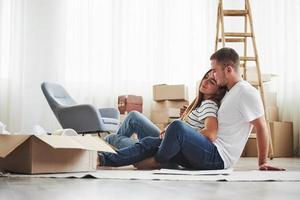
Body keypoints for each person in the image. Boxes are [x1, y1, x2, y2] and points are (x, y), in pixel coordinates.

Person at [98, 69, 227, 170]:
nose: (205, 82)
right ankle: (125, 154)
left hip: (171, 147)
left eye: (212, 82)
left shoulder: (209, 104)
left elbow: (209, 133)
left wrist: (175, 133)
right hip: (169, 142)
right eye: (205, 77)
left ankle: (122, 153)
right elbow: (187, 127)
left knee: (112, 139)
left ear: (218, 91)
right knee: (133, 116)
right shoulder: (199, 103)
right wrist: (185, 115)